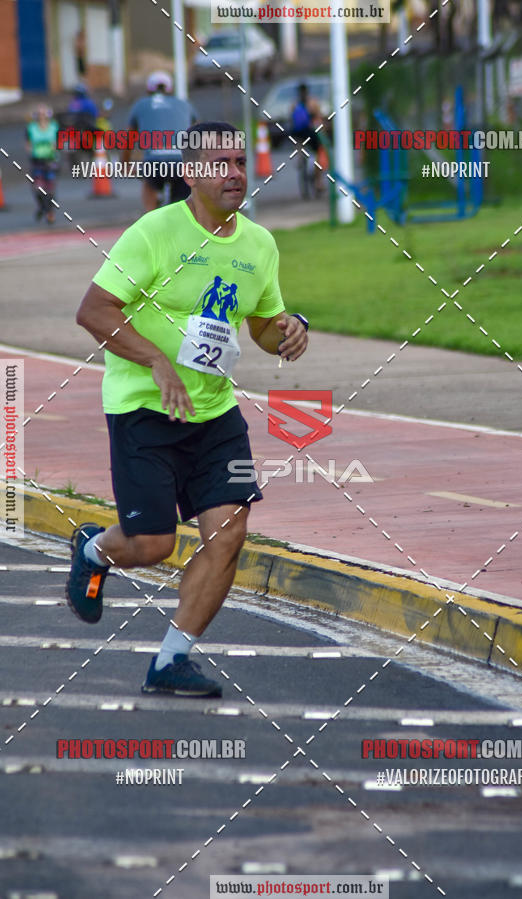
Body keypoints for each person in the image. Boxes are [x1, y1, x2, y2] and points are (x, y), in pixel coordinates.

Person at [66, 121, 309, 698]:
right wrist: (155, 360)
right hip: (144, 408)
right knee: (153, 545)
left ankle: (171, 660)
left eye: (241, 162)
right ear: (189, 171)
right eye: (220, 162)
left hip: (215, 414)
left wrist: (292, 331)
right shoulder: (154, 233)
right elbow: (94, 311)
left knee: (227, 533)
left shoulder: (259, 245)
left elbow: (262, 329)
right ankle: (93, 549)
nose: (234, 173)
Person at [123, 71, 196, 212]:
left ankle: (150, 218)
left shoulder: (140, 105)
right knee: (183, 207)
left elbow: (128, 140)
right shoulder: (184, 104)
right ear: (171, 89)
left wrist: (125, 165)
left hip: (154, 160)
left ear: (148, 89)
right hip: (181, 161)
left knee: (149, 183)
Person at [25, 104, 60, 224]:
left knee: (50, 189)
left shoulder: (54, 127)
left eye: (44, 113)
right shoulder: (31, 128)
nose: (42, 116)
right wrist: (31, 151)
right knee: (38, 189)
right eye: (39, 114)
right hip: (37, 161)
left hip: (50, 161)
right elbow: (28, 143)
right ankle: (42, 208)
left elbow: (58, 141)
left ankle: (50, 213)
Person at [290, 83, 325, 195]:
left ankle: (299, 157)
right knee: (317, 156)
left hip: (299, 134)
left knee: (299, 145)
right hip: (310, 133)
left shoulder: (295, 104)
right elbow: (319, 119)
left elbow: (292, 121)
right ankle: (318, 183)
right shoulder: (313, 103)